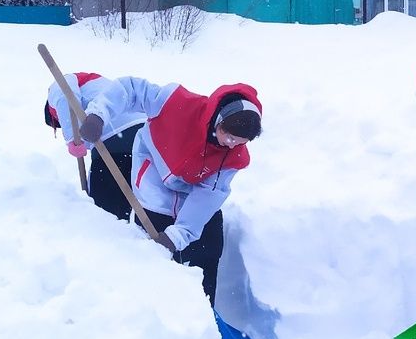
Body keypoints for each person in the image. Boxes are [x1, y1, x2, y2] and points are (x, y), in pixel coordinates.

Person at [72, 76, 262, 311]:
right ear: (219, 122)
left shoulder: (234, 157)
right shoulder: (177, 103)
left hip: (192, 195)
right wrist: (98, 115)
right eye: (231, 137)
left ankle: (203, 315)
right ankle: (155, 313)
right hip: (154, 185)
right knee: (153, 258)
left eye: (241, 142)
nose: (233, 145)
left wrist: (181, 234)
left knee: (209, 247)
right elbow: (132, 89)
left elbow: (208, 196)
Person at [45, 74, 145, 221]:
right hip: (143, 131)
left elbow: (64, 92)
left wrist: (72, 138)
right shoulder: (99, 85)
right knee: (140, 199)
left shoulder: (58, 86)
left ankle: (110, 237)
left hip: (114, 133)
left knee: (105, 211)